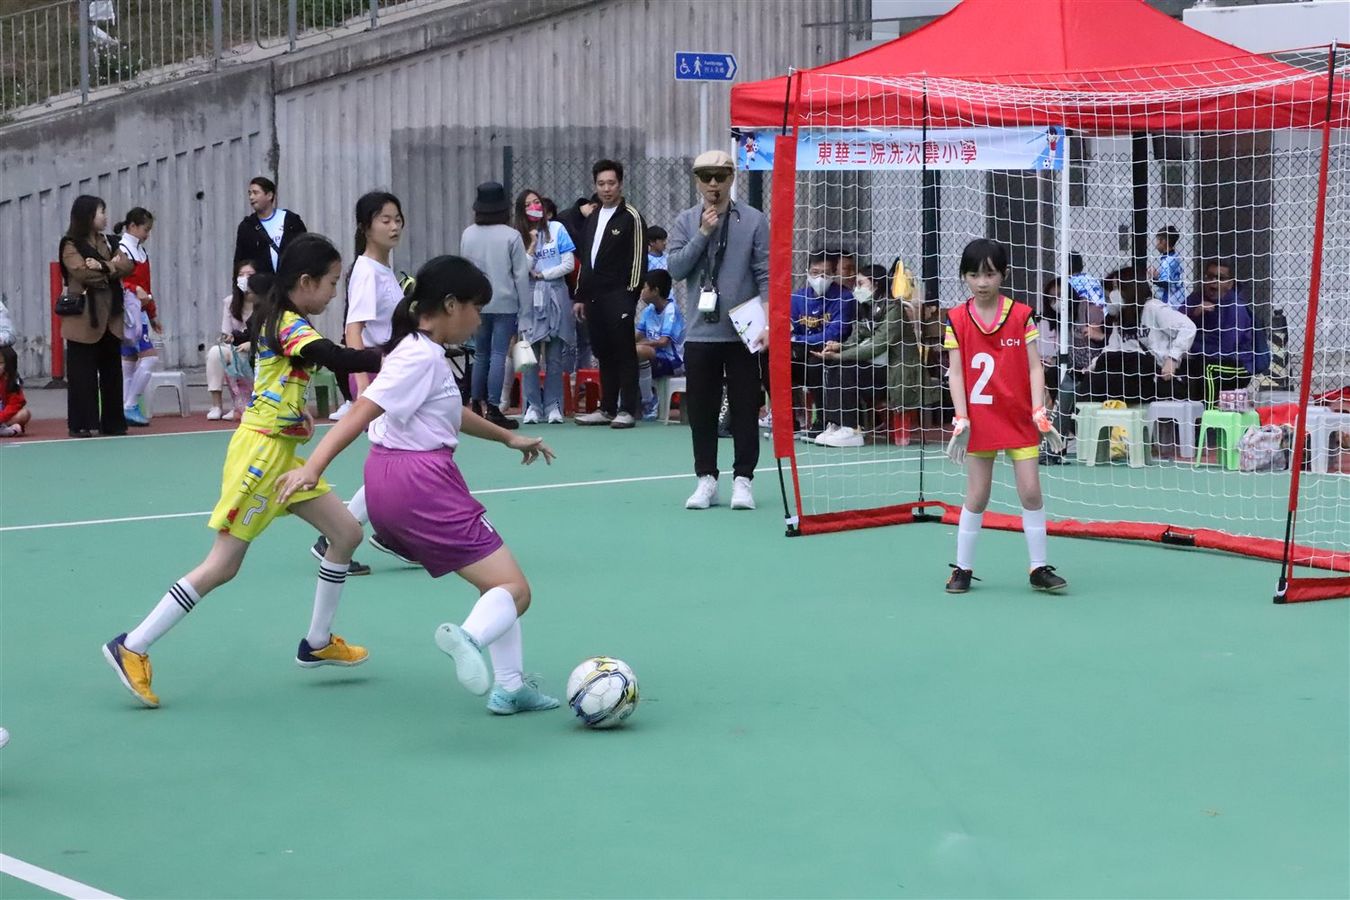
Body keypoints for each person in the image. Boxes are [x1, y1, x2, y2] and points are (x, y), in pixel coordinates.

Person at [101, 234, 382, 708]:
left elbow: (281, 377)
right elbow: (336, 358)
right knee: (223, 564)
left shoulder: (279, 318)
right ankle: (132, 645)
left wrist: (295, 417)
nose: (336, 292)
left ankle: (317, 642)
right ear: (306, 281)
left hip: (283, 455)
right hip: (260, 459)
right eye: (333, 282)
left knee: (347, 533)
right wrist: (395, 351)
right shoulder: (288, 323)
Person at [275, 255, 561, 715]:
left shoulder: (419, 350)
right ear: (450, 305)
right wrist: (313, 467)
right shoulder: (418, 356)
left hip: (387, 481)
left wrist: (508, 437)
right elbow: (362, 409)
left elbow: (449, 409)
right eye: (476, 308)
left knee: (497, 585)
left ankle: (511, 687)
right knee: (516, 590)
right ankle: (469, 638)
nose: (478, 320)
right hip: (422, 484)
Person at [943, 238, 1067, 594]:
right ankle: (962, 569)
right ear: (964, 277)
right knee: (977, 494)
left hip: (1018, 418)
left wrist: (1039, 409)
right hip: (979, 421)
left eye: (990, 274)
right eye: (973, 275)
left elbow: (1035, 367)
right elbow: (955, 373)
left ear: (1004, 274)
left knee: (1031, 491)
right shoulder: (956, 318)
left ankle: (1038, 567)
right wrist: (961, 417)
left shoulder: (1022, 314)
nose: (982, 282)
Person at [309, 191, 407, 576]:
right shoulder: (366, 270)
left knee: (400, 456)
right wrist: (364, 385)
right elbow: (355, 329)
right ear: (366, 227)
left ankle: (390, 534)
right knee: (396, 458)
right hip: (375, 374)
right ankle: (336, 538)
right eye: (385, 219)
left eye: (397, 219)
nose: (394, 226)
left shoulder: (383, 270)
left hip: (389, 372)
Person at [667, 149, 770, 510]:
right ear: (697, 181)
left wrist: (768, 322)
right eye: (706, 177)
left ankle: (744, 479)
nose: (713, 184)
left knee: (745, 408)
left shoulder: (754, 220)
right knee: (702, 411)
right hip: (700, 332)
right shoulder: (685, 221)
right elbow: (676, 268)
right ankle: (706, 479)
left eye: (721, 176)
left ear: (731, 178)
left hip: (743, 332)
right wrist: (703, 233)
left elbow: (765, 273)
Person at [813, 262, 923, 449]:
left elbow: (877, 345)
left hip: (896, 373)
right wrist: (839, 347)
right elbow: (857, 337)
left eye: (861, 283)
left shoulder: (893, 309)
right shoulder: (865, 307)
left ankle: (852, 429)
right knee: (834, 365)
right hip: (875, 368)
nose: (856, 288)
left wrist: (841, 356)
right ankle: (835, 424)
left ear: (876, 284)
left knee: (846, 367)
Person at [574, 159, 647, 428]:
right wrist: (580, 296)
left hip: (619, 296)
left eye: (611, 183)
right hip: (594, 297)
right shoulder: (593, 217)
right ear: (595, 185)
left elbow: (639, 260)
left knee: (624, 351)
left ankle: (627, 409)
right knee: (603, 351)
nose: (606, 189)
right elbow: (586, 259)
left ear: (620, 184)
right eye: (601, 184)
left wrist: (629, 297)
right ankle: (607, 408)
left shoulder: (631, 217)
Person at [59, 194, 134, 438]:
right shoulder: (70, 244)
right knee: (82, 375)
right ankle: (81, 423)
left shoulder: (111, 241)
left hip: (111, 317)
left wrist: (102, 266)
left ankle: (113, 422)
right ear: (88, 216)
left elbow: (127, 265)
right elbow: (81, 272)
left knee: (112, 373)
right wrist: (111, 269)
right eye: (101, 212)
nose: (105, 217)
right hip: (83, 319)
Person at [460, 181, 528, 430]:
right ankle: (494, 407)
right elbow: (520, 275)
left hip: (477, 302)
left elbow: (464, 268)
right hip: (505, 302)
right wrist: (525, 308)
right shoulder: (512, 236)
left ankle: (476, 405)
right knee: (499, 354)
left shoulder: (468, 234)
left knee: (481, 354)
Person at [1081, 268, 1197, 403]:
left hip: (1157, 377)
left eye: (1114, 290)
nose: (1109, 297)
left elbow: (1188, 328)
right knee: (1096, 376)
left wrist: (1172, 359)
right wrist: (1091, 367)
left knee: (1129, 366)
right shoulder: (1120, 318)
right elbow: (1111, 349)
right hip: (1131, 376)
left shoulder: (1153, 308)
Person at [515, 188, 577, 425]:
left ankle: (554, 405)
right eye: (528, 204)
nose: (534, 207)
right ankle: (532, 406)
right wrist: (531, 244)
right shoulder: (517, 236)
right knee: (529, 356)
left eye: (537, 202)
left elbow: (568, 264)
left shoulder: (558, 229)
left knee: (554, 357)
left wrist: (544, 274)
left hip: (555, 293)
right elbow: (521, 269)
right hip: (529, 297)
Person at [789, 249, 855, 435]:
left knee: (814, 363)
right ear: (807, 272)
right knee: (772, 360)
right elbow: (790, 329)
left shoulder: (844, 297)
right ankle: (788, 419)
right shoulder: (797, 298)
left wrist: (798, 339)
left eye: (825, 274)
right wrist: (796, 340)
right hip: (800, 351)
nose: (819, 278)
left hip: (829, 352)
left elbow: (835, 333)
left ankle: (822, 418)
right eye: (815, 272)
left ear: (834, 273)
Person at [1185, 258, 1264, 404]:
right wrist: (1194, 313)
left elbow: (1226, 349)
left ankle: (1208, 413)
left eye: (1220, 278)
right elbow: (1176, 320)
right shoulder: (1196, 298)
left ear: (1230, 284)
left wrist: (1194, 348)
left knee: (1207, 368)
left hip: (1237, 363)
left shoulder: (1236, 307)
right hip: (1206, 356)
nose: (1213, 282)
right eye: (1209, 277)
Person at [114, 207, 160, 426]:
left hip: (139, 312)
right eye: (145, 229)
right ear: (132, 226)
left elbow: (146, 287)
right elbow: (117, 281)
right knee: (150, 358)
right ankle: (129, 405)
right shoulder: (121, 249)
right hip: (127, 314)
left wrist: (152, 314)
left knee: (130, 362)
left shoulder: (141, 252)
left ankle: (125, 405)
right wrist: (134, 289)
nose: (147, 234)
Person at [206, 261, 258, 420]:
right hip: (235, 348)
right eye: (241, 275)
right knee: (216, 353)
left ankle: (242, 405)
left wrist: (252, 344)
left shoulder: (266, 302)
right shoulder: (230, 302)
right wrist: (227, 338)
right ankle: (216, 405)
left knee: (243, 356)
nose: (245, 278)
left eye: (249, 275)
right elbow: (226, 333)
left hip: (258, 349)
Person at [634, 269, 684, 420]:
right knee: (625, 352)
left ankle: (649, 401)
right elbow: (638, 336)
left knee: (639, 351)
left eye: (644, 287)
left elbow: (663, 342)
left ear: (655, 290)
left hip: (673, 361)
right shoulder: (648, 311)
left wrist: (642, 344)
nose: (641, 292)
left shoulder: (671, 310)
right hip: (655, 357)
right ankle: (625, 403)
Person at [233, 176, 307, 274]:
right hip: (261, 281)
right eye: (249, 193)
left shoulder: (291, 220)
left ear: (269, 195)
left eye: (255, 193)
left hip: (289, 279)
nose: (251, 197)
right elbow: (240, 260)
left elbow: (305, 250)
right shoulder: (247, 226)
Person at [1150, 226, 1187, 310]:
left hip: (1171, 301)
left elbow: (1165, 283)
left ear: (1163, 241)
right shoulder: (1174, 257)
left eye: (1157, 240)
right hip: (1177, 298)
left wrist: (1152, 278)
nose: (1156, 245)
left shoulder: (1168, 260)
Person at [0, 344, 30, 437]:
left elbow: (15, 404)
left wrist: (1, 418)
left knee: (24, 414)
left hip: (4, 417)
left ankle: (3, 428)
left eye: (0, 363)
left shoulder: (11, 381)